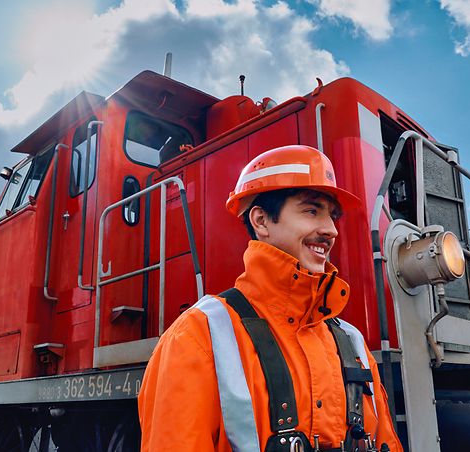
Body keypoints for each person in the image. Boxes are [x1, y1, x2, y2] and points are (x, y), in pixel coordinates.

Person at [138, 145, 402, 451]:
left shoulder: (352, 341)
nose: (330, 230)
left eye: (332, 216)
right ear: (261, 221)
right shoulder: (198, 336)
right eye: (311, 210)